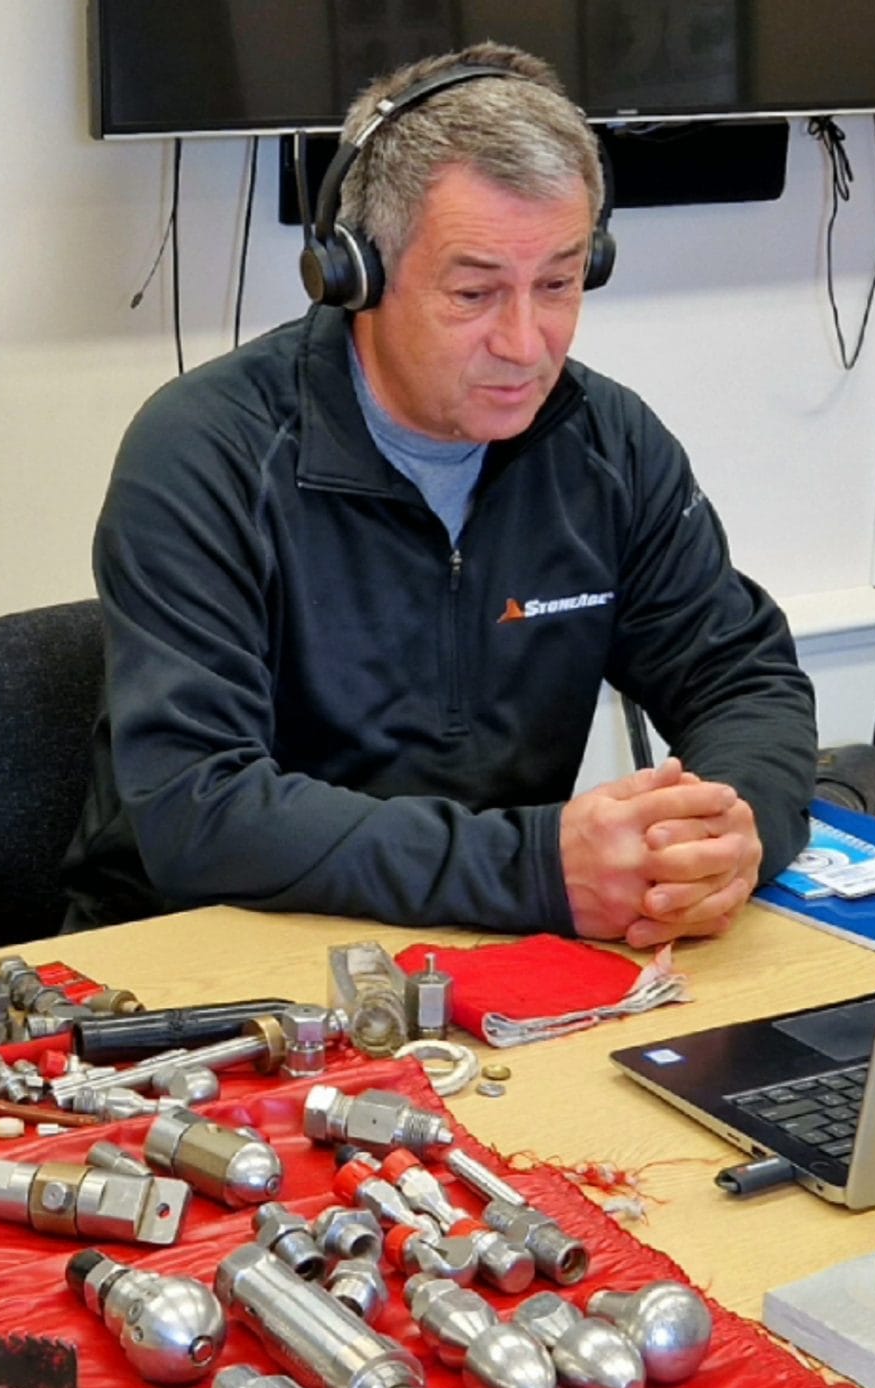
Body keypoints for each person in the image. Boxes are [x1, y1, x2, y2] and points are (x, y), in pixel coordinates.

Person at [62, 42, 817, 954]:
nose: (526, 343)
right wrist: (536, 868)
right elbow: (200, 811)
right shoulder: (204, 451)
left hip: (495, 951)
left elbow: (741, 678)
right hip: (206, 967)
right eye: (475, 292)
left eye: (558, 284)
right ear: (357, 273)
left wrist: (729, 834)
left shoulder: (607, 444)